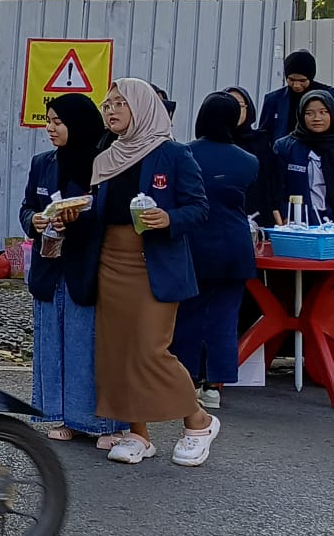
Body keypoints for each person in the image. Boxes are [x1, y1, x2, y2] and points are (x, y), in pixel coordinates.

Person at [71, 78, 216, 467]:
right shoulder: (106, 155)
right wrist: (72, 214)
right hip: (110, 261)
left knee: (150, 349)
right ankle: (138, 433)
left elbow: (200, 209)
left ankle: (198, 421)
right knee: (117, 350)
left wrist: (169, 218)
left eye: (121, 103)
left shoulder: (174, 153)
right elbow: (99, 211)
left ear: (144, 107)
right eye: (107, 104)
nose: (111, 110)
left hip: (154, 262)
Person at [19, 94, 127, 448]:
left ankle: (103, 423)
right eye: (48, 121)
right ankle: (62, 416)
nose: (50, 129)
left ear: (78, 124)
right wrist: (34, 221)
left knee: (88, 343)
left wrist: (77, 221)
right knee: (53, 342)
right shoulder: (43, 162)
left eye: (58, 122)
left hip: (89, 264)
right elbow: (27, 206)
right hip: (50, 265)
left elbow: (109, 216)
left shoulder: (104, 164)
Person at [172, 93, 258, 410]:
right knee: (225, 317)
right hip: (234, 246)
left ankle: (186, 381)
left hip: (194, 244)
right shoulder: (249, 161)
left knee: (188, 315)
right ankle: (214, 386)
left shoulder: (185, 154)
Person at [272, 89, 334, 224]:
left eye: (323, 112)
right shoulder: (285, 147)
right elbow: (277, 188)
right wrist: (284, 213)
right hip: (299, 220)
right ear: (301, 115)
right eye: (309, 113)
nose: (316, 118)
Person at [223, 86, 278, 226]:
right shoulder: (212, 142)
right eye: (229, 104)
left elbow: (271, 179)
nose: (235, 110)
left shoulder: (261, 140)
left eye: (240, 105)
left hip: (258, 210)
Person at [259, 50, 321, 141]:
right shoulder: (273, 99)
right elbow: (263, 134)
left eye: (302, 81)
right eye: (291, 80)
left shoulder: (328, 96)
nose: (296, 85)